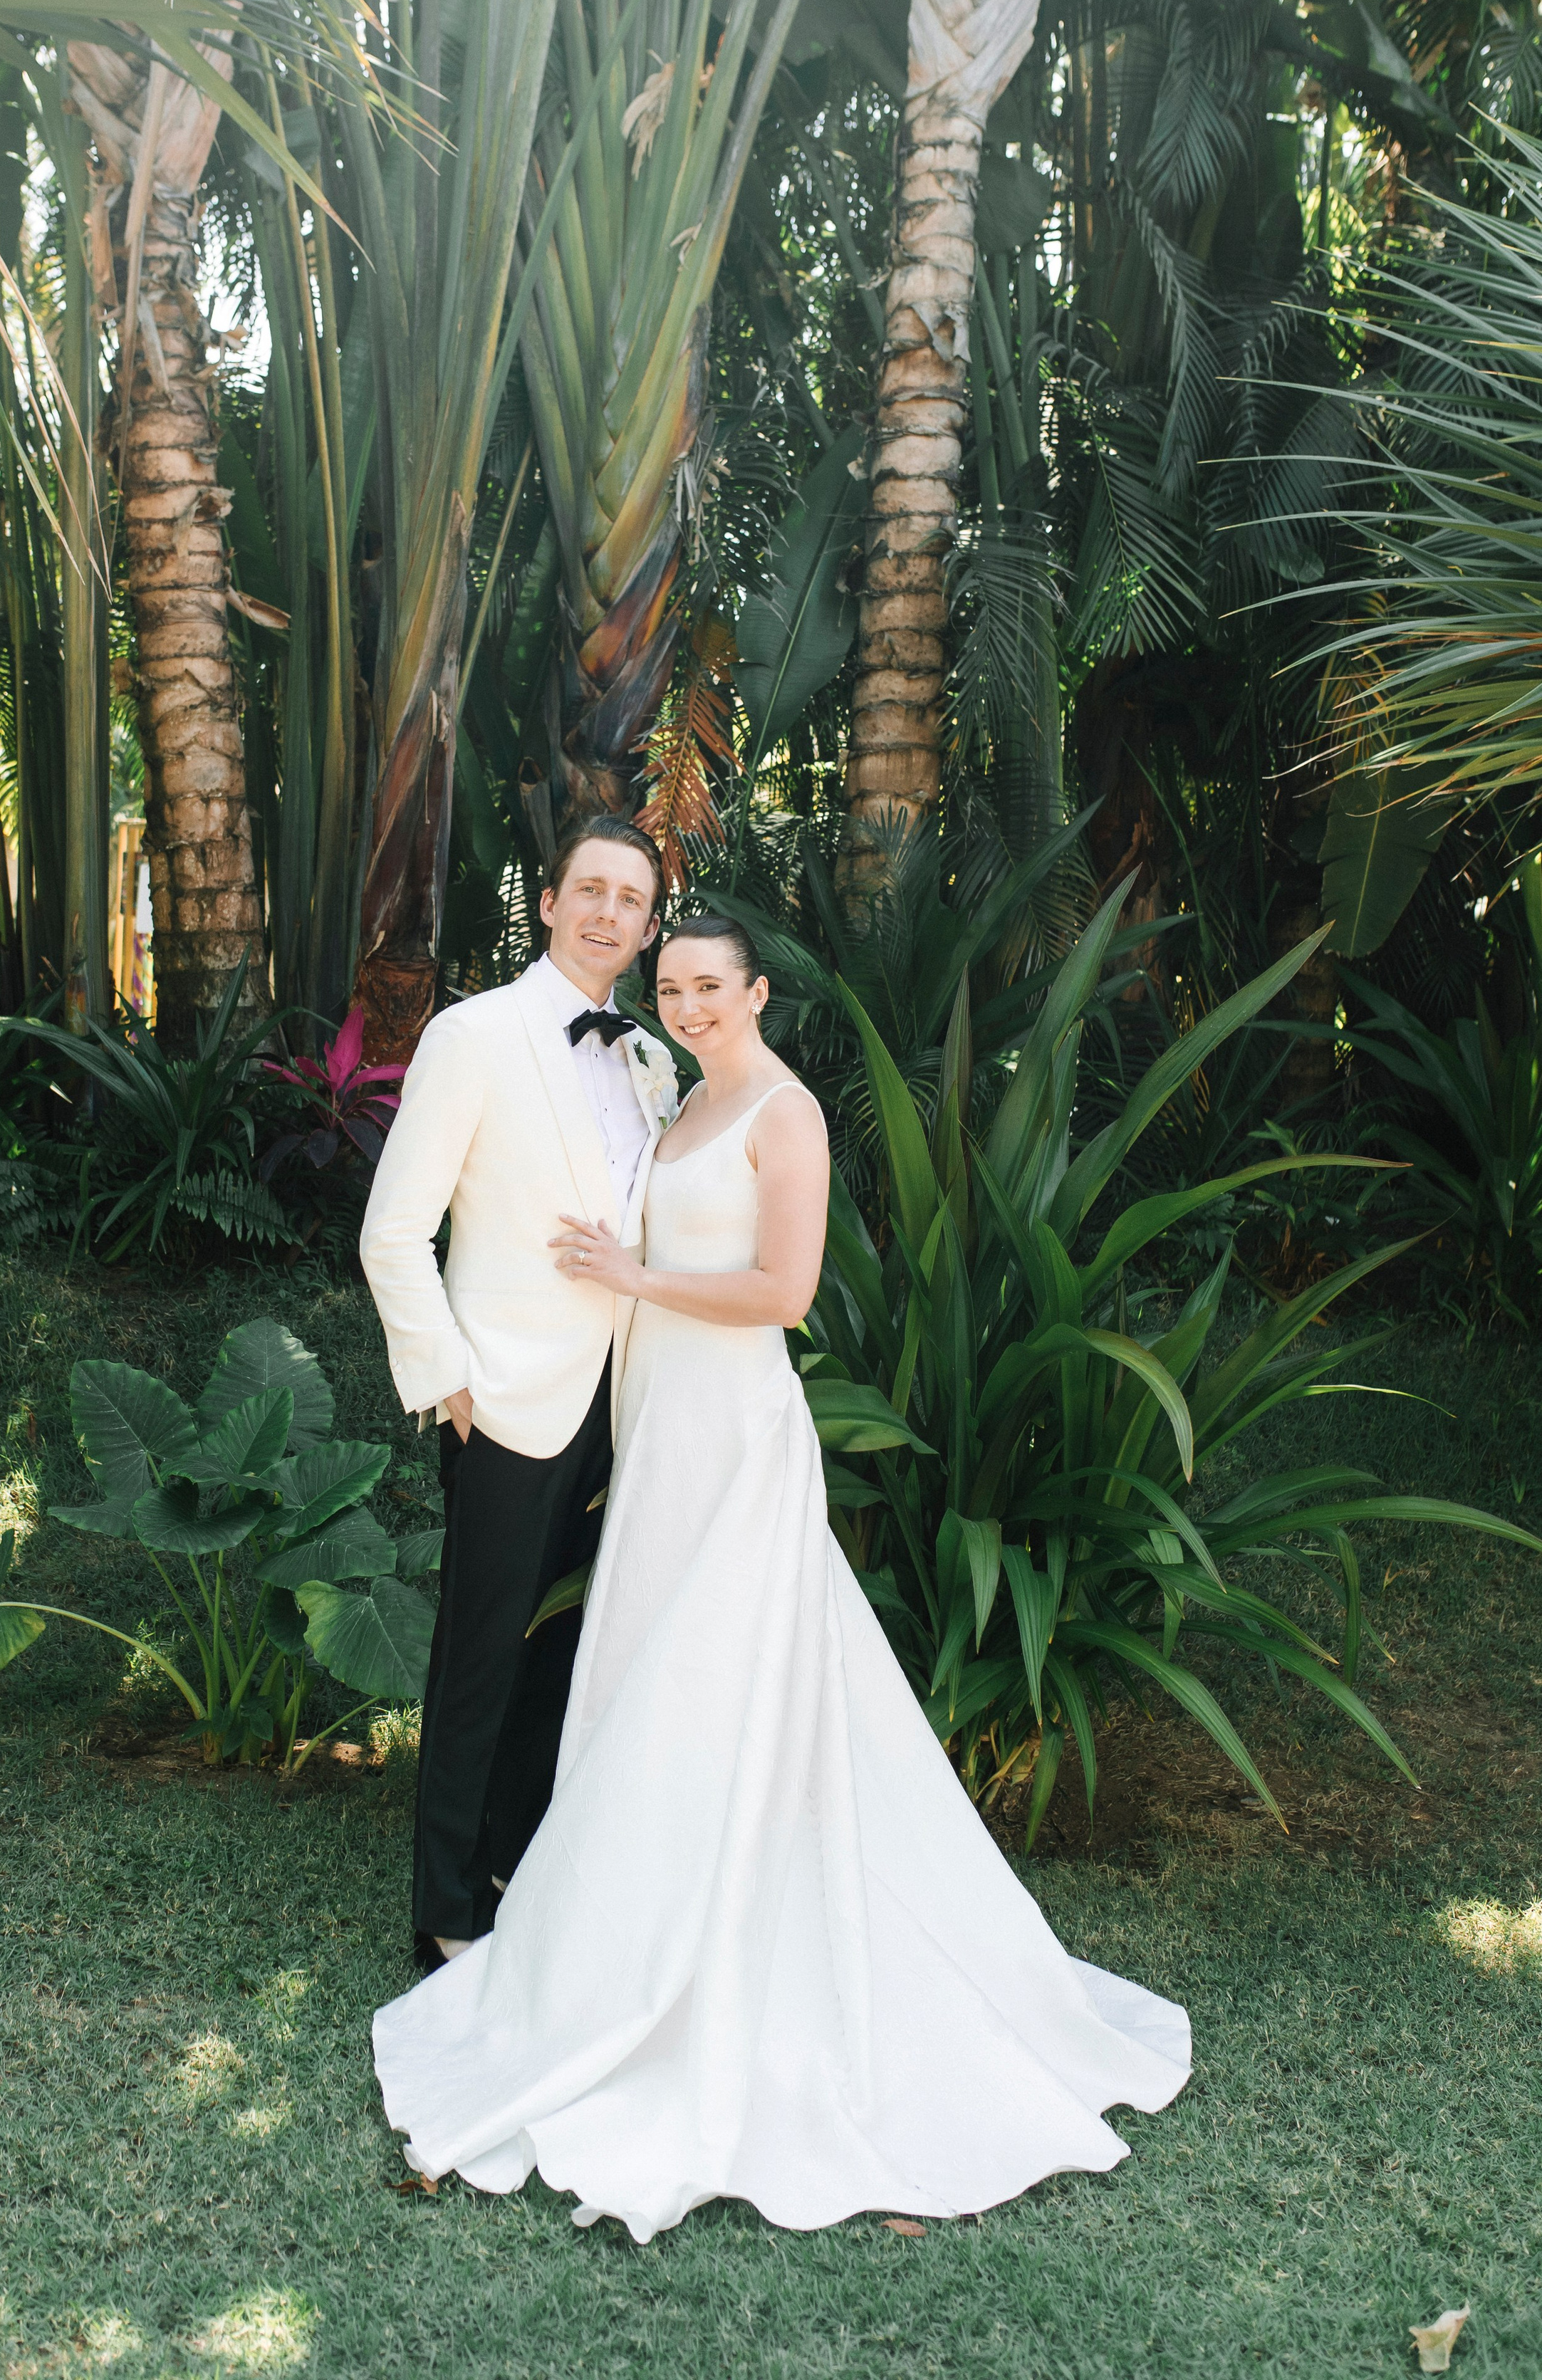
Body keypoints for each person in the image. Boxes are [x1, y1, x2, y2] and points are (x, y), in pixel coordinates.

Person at [370, 914, 1192, 2241]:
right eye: (674, 985)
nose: (689, 1003)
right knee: (650, 1673)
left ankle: (728, 1950)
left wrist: (636, 1271)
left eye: (713, 986)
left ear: (758, 992)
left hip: (737, 1438)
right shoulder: (678, 1098)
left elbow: (787, 1291)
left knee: (722, 1677)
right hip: (657, 1437)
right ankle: (624, 1929)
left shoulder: (786, 1112)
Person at [359, 816, 677, 1971]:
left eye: (630, 900)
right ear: (547, 904)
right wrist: (450, 1383)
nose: (606, 913)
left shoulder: (651, 1059)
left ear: (647, 928)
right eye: (587, 889)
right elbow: (393, 1232)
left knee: (564, 1654)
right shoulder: (474, 1035)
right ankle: (446, 1908)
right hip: (505, 1402)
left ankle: (516, 1867)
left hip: (624, 1405)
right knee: (482, 1656)